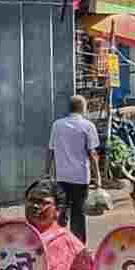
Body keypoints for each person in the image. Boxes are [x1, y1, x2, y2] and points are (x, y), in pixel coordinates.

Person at [46, 96, 100, 244]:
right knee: (78, 214)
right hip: (80, 178)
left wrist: (46, 173)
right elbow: (92, 154)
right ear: (83, 108)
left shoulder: (57, 125)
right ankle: (78, 247)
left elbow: (50, 151)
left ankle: (58, 244)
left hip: (62, 177)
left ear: (69, 108)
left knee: (61, 212)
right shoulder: (88, 126)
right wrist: (98, 178)